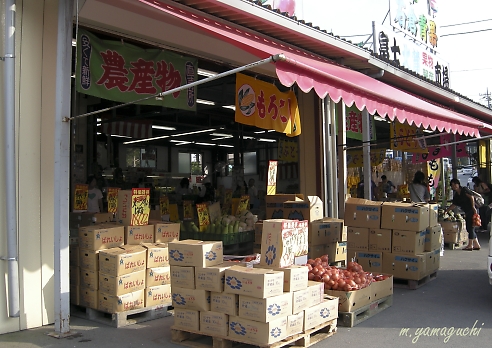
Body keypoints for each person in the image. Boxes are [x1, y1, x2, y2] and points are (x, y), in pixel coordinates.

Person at [444, 179, 481, 251]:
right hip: (467, 211)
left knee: (470, 227)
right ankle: (476, 244)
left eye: (455, 184)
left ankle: (470, 245)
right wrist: (446, 211)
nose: (454, 186)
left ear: (458, 184)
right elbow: (454, 204)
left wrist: (473, 207)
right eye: (452, 185)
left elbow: (471, 197)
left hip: (472, 210)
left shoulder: (464, 190)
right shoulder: (457, 195)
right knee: (471, 227)